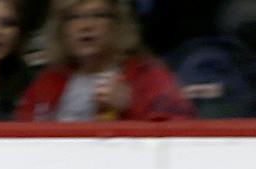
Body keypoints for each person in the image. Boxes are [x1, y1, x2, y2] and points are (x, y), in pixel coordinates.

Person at [16, 0, 193, 122]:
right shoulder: (49, 81)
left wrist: (131, 105)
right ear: (61, 29)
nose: (86, 26)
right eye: (74, 17)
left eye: (97, 15)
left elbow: (180, 137)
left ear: (118, 23)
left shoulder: (148, 76)